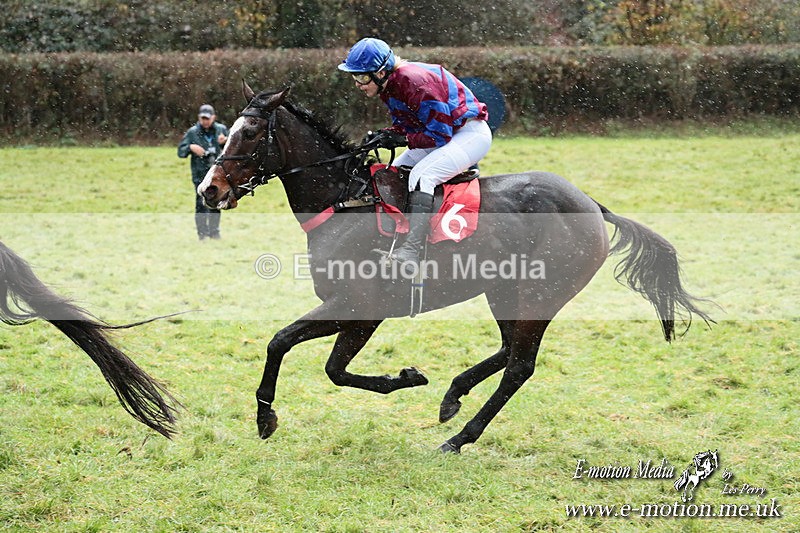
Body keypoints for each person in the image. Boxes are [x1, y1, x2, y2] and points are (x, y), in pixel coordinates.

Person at [338, 37, 492, 264]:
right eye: (354, 77)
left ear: (380, 73)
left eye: (362, 76)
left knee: (423, 176)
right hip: (449, 133)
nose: (358, 84)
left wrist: (401, 138)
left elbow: (439, 135)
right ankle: (395, 239)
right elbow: (408, 126)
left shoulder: (413, 81)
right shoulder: (390, 86)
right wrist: (386, 135)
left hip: (469, 134)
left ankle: (412, 250)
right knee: (391, 175)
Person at [178, 104, 228, 240]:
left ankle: (214, 232)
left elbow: (235, 148)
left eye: (207, 118)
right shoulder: (192, 132)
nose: (205, 121)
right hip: (200, 174)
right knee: (201, 204)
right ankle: (202, 234)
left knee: (216, 202)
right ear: (199, 118)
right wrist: (190, 147)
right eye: (202, 118)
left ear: (213, 117)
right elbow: (180, 152)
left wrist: (225, 142)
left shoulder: (221, 130)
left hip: (217, 175)